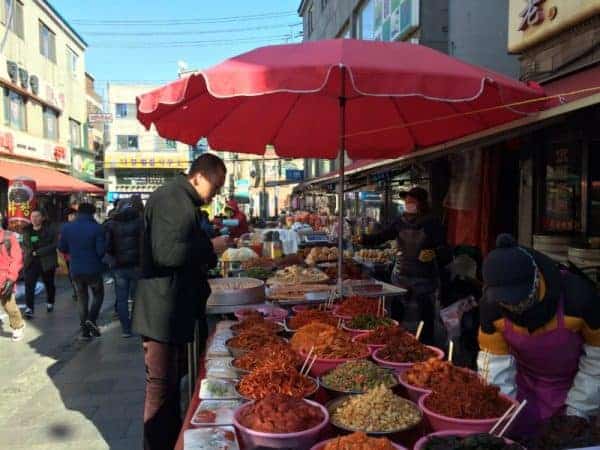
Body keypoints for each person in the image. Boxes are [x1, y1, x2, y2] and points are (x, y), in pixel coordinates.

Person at [132, 154, 230, 450]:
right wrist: (209, 246)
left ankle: (171, 440)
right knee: (161, 389)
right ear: (199, 176)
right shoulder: (171, 198)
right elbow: (166, 253)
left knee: (172, 386)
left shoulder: (182, 200)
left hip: (173, 310)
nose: (217, 192)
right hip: (162, 313)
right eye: (216, 185)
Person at [478, 234, 600, 434]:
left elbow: (597, 359)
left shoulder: (578, 297)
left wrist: (578, 411)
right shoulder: (491, 308)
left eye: (518, 298)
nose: (514, 306)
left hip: (574, 388)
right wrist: (502, 412)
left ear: (535, 279)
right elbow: (495, 368)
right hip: (522, 386)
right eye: (506, 301)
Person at [355, 187, 446, 345]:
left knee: (425, 315)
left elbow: (445, 248)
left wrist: (435, 252)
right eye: (406, 201)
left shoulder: (432, 222)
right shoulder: (400, 221)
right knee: (397, 313)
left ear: (422, 203)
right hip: (401, 274)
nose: (408, 204)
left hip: (424, 277)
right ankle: (395, 342)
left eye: (412, 201)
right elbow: (382, 236)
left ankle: (426, 345)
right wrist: (363, 239)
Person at [58, 203, 106, 339]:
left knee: (81, 298)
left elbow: (62, 248)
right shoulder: (97, 228)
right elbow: (101, 251)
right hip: (93, 268)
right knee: (98, 295)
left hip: (76, 269)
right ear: (92, 213)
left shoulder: (67, 227)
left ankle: (85, 332)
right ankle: (91, 318)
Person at [105, 199, 143, 337]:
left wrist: (112, 259)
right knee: (136, 297)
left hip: (119, 267)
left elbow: (108, 246)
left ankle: (125, 329)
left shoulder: (112, 224)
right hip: (136, 265)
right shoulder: (140, 223)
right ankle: (136, 325)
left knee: (121, 299)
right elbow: (144, 244)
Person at [22, 209, 58, 318]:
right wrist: (30, 252)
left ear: (42, 218)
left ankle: (50, 302)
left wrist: (38, 252)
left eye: (37, 216)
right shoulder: (27, 230)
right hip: (31, 262)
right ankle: (29, 308)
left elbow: (54, 244)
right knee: (29, 285)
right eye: (32, 216)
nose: (34, 218)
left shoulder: (50, 230)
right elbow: (25, 245)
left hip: (46, 261)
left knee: (49, 284)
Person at [0, 214, 25, 341]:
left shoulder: (8, 237)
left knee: (9, 305)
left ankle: (18, 326)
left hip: (4, 278)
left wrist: (11, 278)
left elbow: (17, 259)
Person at [61, 207, 78, 302]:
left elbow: (62, 244)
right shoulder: (67, 227)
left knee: (73, 275)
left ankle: (77, 291)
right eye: (72, 215)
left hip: (69, 256)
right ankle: (77, 291)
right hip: (71, 255)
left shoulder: (65, 227)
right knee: (73, 274)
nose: (74, 217)